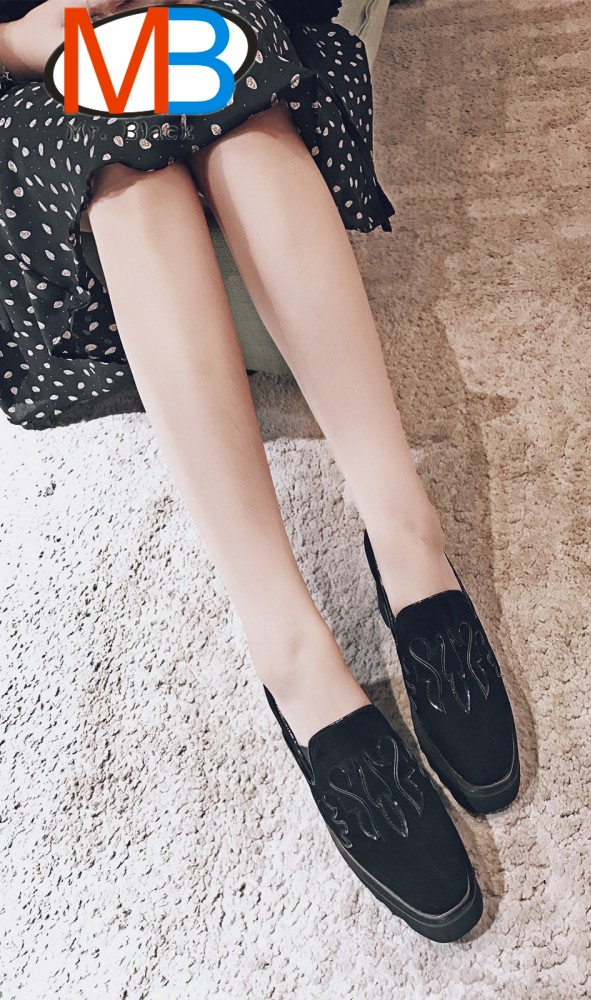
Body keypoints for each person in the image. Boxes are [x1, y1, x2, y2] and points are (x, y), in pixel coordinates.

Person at [0, 0, 520, 941]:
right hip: (41, 72)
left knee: (232, 90)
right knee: (121, 159)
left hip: (199, 23)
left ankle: (404, 530)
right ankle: (286, 641)